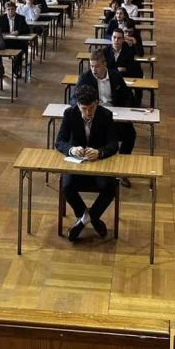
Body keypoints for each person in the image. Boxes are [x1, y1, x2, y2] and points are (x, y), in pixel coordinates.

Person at [55, 84, 120, 241]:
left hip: (99, 164)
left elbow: (114, 144)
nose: (88, 113)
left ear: (96, 103)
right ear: (78, 105)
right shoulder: (70, 114)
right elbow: (59, 142)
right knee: (66, 186)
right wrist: (71, 149)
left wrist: (100, 152)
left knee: (110, 188)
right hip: (76, 164)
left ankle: (83, 221)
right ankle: (93, 219)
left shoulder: (105, 115)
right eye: (84, 109)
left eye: (91, 108)